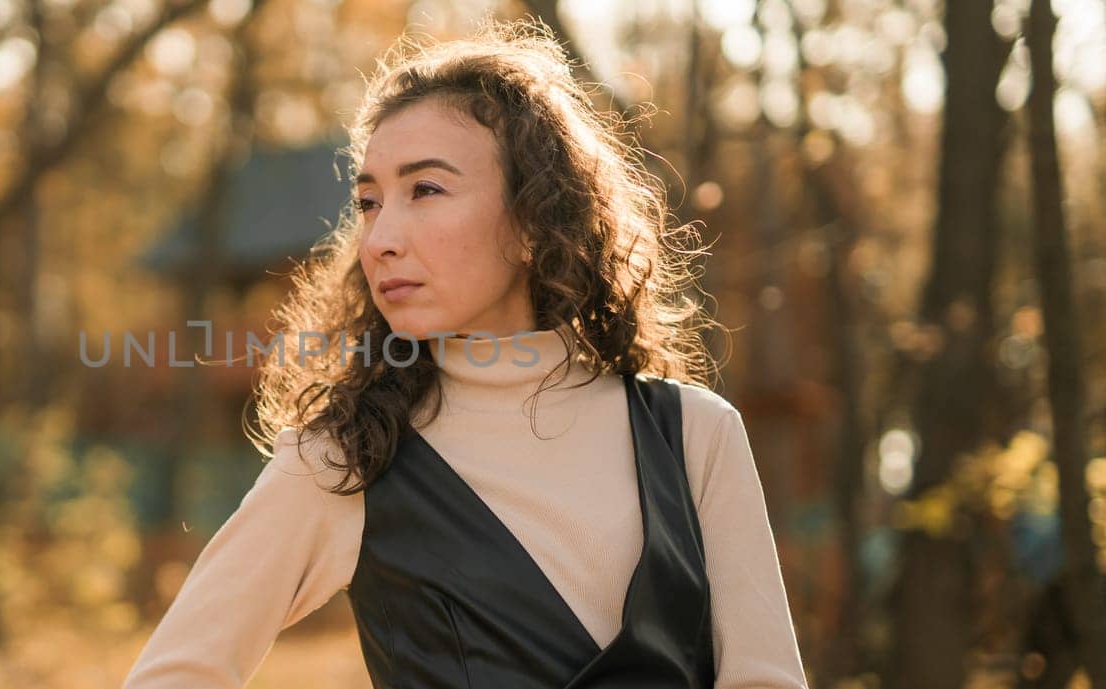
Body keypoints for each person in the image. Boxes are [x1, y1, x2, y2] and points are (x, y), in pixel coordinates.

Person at [121, 17, 808, 689]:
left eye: (425, 189)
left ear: (536, 221)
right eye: (367, 202)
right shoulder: (345, 458)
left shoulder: (695, 433)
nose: (381, 236)